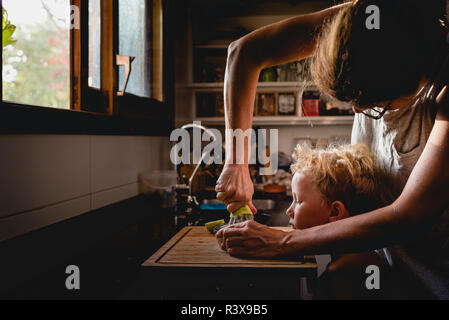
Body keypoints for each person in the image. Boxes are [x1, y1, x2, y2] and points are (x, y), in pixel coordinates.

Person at [215, 0, 449, 299]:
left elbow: (412, 215)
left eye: (376, 106)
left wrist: (281, 242)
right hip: (391, 269)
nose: (358, 110)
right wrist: (236, 162)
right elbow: (244, 51)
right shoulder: (361, 20)